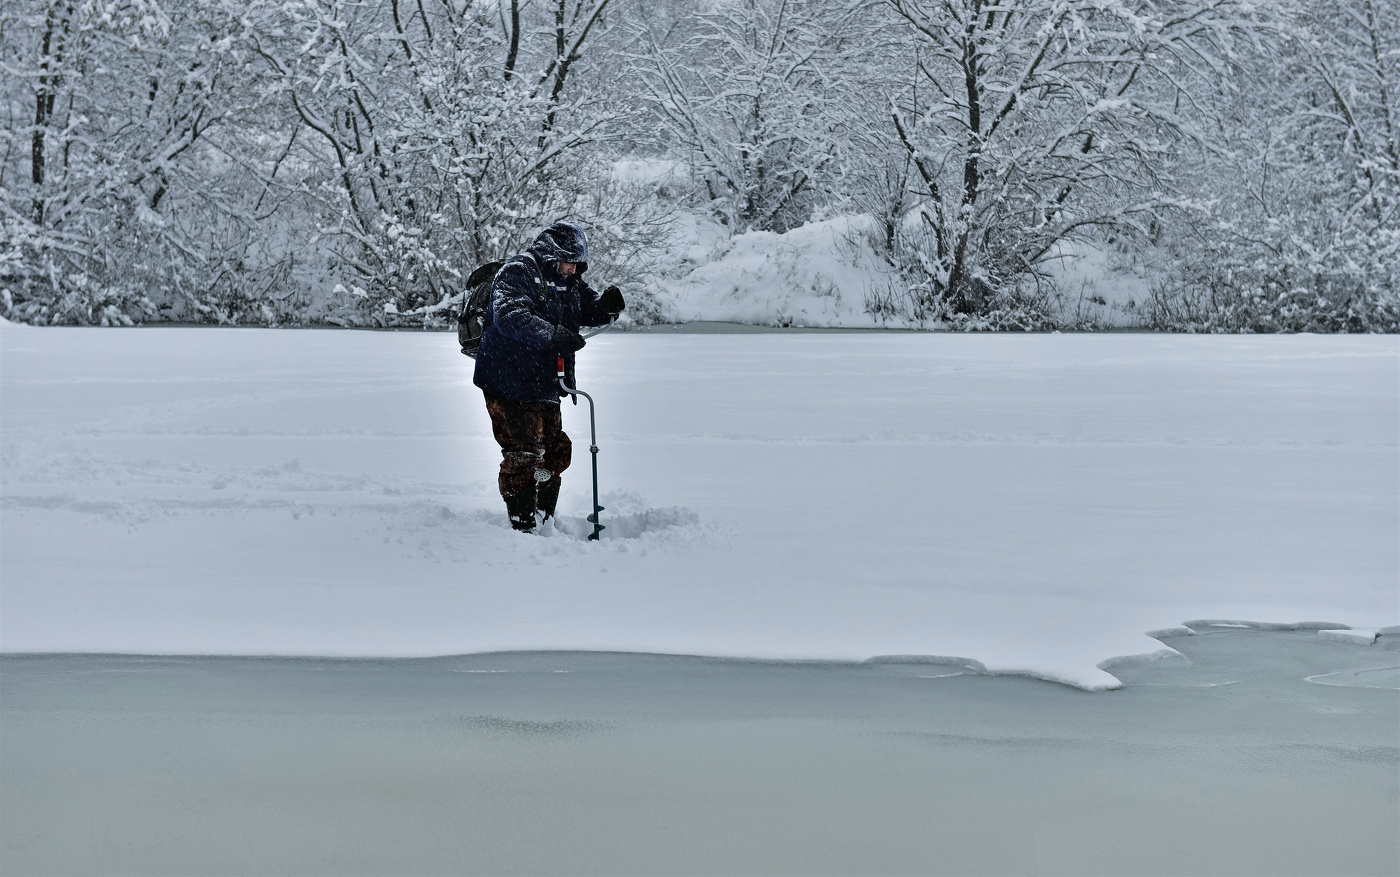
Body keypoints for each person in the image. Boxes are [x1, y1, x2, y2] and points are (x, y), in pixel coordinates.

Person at [473, 221, 624, 532]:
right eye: (570, 261)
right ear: (553, 254)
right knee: (523, 454)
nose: (573, 269)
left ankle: (544, 516)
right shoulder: (518, 272)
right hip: (508, 379)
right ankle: (524, 525)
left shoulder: (568, 282)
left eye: (578, 263)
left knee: (554, 450)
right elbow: (510, 316)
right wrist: (554, 335)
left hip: (545, 381)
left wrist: (606, 307)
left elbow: (587, 310)